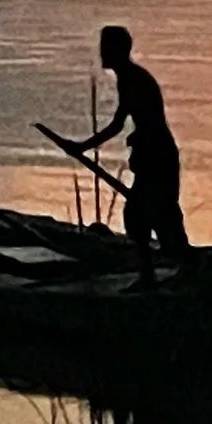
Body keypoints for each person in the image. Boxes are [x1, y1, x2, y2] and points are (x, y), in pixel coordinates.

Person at [59, 25, 187, 282]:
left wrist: (83, 146)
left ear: (118, 50)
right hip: (151, 155)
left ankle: (178, 268)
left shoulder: (134, 80)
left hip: (157, 157)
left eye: (106, 48)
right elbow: (123, 123)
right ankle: (153, 272)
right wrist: (84, 146)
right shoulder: (127, 78)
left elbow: (125, 125)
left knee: (157, 215)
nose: (101, 53)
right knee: (142, 217)